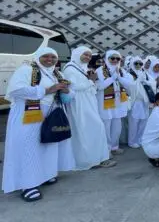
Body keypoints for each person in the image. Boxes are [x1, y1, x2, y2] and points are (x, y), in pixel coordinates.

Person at [2, 48, 76, 201]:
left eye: (53, 57)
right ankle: (27, 185)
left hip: (50, 114)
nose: (50, 59)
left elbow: (68, 95)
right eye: (46, 56)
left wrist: (66, 91)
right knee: (29, 148)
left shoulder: (57, 73)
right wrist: (47, 90)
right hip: (29, 115)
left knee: (48, 145)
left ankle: (45, 175)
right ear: (38, 57)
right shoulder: (26, 69)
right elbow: (15, 90)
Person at [63, 46, 115, 170]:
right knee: (88, 130)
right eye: (85, 54)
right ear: (77, 54)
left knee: (94, 129)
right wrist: (91, 81)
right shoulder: (70, 69)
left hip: (88, 102)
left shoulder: (82, 68)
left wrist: (92, 81)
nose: (87, 57)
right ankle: (89, 160)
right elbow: (74, 86)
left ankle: (99, 157)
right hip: (79, 104)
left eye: (89, 55)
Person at [96, 50, 133, 155]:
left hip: (118, 103)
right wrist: (112, 78)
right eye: (112, 58)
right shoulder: (99, 71)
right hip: (105, 103)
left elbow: (130, 84)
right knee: (106, 126)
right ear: (106, 59)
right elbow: (99, 86)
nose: (115, 60)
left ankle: (114, 147)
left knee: (117, 126)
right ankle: (106, 150)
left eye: (118, 58)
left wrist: (119, 78)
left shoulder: (122, 71)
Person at [127, 56, 154, 149]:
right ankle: (132, 141)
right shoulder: (129, 74)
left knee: (143, 122)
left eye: (140, 63)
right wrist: (139, 80)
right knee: (134, 122)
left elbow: (152, 83)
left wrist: (145, 81)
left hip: (145, 102)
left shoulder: (144, 74)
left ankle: (140, 139)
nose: (138, 65)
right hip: (135, 102)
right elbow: (129, 87)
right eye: (136, 63)